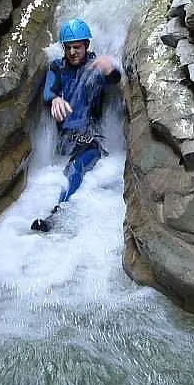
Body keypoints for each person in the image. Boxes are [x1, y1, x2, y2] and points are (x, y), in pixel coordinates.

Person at [31, 18, 121, 232]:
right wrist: (54, 99)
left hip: (91, 139)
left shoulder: (95, 66)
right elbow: (48, 91)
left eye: (77, 47)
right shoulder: (57, 66)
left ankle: (58, 211)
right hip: (65, 138)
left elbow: (114, 79)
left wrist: (110, 69)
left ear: (86, 46)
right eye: (68, 47)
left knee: (75, 168)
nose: (72, 52)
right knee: (69, 165)